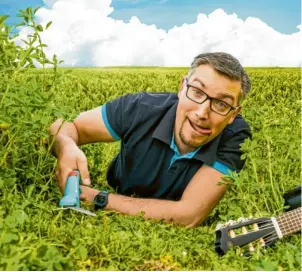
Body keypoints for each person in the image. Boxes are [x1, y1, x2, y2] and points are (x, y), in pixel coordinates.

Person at [49, 52, 252, 228]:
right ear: (182, 87)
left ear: (234, 114)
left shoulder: (235, 135)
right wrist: (65, 145)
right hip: (121, 182)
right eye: (197, 92)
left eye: (222, 104)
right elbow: (68, 126)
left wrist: (99, 198)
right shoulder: (140, 107)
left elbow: (189, 215)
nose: (202, 112)